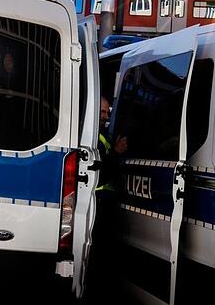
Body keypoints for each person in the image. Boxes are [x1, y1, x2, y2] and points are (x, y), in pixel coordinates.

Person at [87, 96, 127, 296]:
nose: (105, 116)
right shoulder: (92, 137)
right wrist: (117, 154)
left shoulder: (102, 135)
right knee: (98, 253)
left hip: (105, 200)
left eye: (107, 112)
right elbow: (99, 174)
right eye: (102, 112)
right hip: (98, 201)